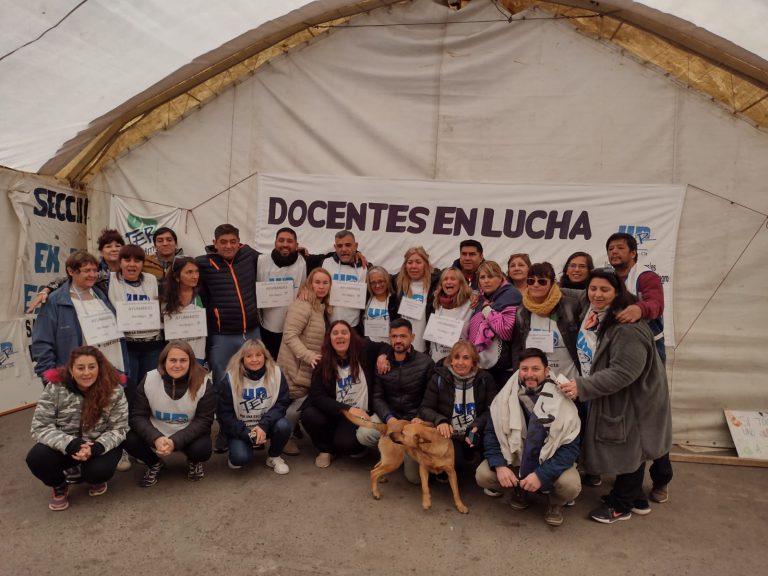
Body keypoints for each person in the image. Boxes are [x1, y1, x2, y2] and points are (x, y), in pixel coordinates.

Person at [560, 269, 672, 523]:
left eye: (604, 290)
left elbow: (623, 372)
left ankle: (621, 505)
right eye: (593, 289)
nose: (597, 294)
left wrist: (583, 387)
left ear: (617, 292)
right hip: (614, 395)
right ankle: (636, 498)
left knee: (631, 447)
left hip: (634, 399)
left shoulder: (626, 326)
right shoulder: (594, 311)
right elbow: (566, 291)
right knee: (627, 446)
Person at [475, 348, 581, 526]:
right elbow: (491, 435)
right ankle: (518, 490)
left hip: (549, 462)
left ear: (546, 371)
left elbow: (571, 448)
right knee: (483, 475)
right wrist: (500, 466)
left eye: (535, 369)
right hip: (516, 459)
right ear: (518, 370)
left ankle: (555, 503)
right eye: (524, 369)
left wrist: (541, 474)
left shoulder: (563, 400)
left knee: (570, 485)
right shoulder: (505, 398)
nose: (529, 374)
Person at [606, 232, 672, 500]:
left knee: (650, 416)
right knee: (622, 414)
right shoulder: (608, 279)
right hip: (617, 353)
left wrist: (640, 309)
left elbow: (656, 303)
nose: (614, 253)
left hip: (649, 353)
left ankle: (661, 478)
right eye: (610, 249)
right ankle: (626, 476)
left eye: (620, 248)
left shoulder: (644, 276)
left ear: (633, 252)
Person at [26, 346, 129, 511]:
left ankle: (94, 478)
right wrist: (72, 444)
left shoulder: (114, 390)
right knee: (36, 458)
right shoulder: (55, 388)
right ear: (71, 370)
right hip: (67, 446)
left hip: (97, 446)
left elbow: (120, 428)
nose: (86, 372)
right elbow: (40, 426)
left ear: (100, 368)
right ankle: (59, 484)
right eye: (80, 368)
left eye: (92, 367)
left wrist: (97, 447)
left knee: (97, 472)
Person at [196, 223, 260, 452]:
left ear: (239, 241)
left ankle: (254, 427)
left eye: (232, 241)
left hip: (252, 332)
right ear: (215, 243)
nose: (228, 246)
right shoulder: (203, 263)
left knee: (254, 381)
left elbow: (278, 261)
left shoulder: (250, 256)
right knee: (224, 385)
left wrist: (301, 251)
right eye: (223, 242)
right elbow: (179, 271)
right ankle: (225, 429)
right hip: (222, 336)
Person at [124, 340, 215, 486]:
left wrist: (175, 441)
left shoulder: (204, 382)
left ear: (191, 362)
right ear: (163, 361)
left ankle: (194, 461)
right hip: (157, 433)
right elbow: (137, 416)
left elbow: (204, 420)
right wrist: (156, 438)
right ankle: (154, 463)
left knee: (202, 449)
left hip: (186, 433)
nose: (177, 365)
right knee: (127, 437)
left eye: (183, 360)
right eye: (172, 360)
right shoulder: (150, 378)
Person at [359, 318, 435, 484]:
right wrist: (389, 418)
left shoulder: (426, 363)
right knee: (363, 434)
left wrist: (418, 418)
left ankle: (404, 453)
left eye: (403, 336)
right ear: (389, 338)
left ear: (412, 337)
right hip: (390, 416)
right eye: (394, 336)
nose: (398, 340)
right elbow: (377, 396)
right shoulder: (382, 363)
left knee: (414, 478)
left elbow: (431, 398)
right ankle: (390, 454)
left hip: (414, 419)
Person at [31, 251, 127, 380]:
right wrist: (51, 377)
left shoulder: (101, 292)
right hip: (77, 376)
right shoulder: (56, 300)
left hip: (109, 372)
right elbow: (42, 342)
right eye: (86, 270)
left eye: (95, 270)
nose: (92, 275)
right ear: (71, 271)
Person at [301, 320, 380, 468]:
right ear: (329, 339)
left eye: (344, 332)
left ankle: (348, 444)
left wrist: (382, 357)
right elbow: (317, 396)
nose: (340, 336)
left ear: (352, 336)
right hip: (338, 410)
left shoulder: (365, 350)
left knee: (345, 444)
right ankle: (325, 450)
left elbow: (384, 347)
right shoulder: (323, 362)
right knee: (309, 414)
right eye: (335, 333)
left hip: (359, 414)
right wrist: (347, 409)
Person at [276, 267, 333, 455]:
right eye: (317, 282)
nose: (322, 286)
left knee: (299, 399)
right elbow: (290, 335)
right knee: (299, 402)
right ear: (309, 284)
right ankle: (284, 437)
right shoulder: (303, 304)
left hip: (306, 367)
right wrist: (308, 355)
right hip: (296, 364)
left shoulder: (321, 305)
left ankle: (288, 432)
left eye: (325, 282)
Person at [416, 341, 496, 469]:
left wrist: (477, 425)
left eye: (466, 358)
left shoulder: (485, 379)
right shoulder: (439, 378)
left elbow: (492, 410)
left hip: (475, 431)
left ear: (473, 362)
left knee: (480, 459)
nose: (460, 362)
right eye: (456, 357)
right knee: (455, 464)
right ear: (451, 361)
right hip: (451, 435)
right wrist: (440, 420)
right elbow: (425, 408)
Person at [217, 340, 291, 474]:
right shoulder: (230, 378)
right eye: (249, 356)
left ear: (265, 356)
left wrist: (263, 425)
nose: (254, 359)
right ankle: (238, 452)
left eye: (259, 355)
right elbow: (224, 415)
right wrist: (249, 434)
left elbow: (282, 403)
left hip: (266, 425)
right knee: (240, 458)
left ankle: (274, 456)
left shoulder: (276, 373)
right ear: (242, 358)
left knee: (283, 425)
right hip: (241, 428)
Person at [108, 244, 164, 403]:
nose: (132, 264)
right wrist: (47, 290)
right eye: (127, 259)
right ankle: (129, 423)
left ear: (143, 263)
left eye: (137, 260)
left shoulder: (152, 280)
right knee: (128, 387)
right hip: (127, 346)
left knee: (149, 387)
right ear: (120, 262)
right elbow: (75, 275)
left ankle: (145, 423)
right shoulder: (109, 278)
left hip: (153, 345)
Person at [510, 262, 581, 379]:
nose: (535, 285)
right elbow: (517, 348)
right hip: (537, 382)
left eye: (542, 281)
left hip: (570, 379)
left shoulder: (571, 305)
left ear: (552, 284)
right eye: (531, 281)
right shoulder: (522, 311)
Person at [27, 228, 125, 312]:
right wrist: (45, 291)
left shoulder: (130, 269)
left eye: (118, 246)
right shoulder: (95, 270)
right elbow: (66, 279)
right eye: (108, 246)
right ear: (101, 251)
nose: (114, 249)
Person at [467, 261, 520, 387]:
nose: (486, 281)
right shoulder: (483, 297)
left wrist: (487, 310)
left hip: (504, 368)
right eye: (482, 277)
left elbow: (505, 331)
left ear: (501, 277)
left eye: (490, 277)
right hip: (485, 365)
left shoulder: (511, 295)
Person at [388, 246, 441, 353]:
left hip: (425, 346)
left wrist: (474, 294)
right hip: (402, 345)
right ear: (405, 265)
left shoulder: (436, 283)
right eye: (410, 262)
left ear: (426, 264)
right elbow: (376, 276)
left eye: (418, 262)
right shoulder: (397, 283)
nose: (414, 266)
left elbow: (458, 280)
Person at [160, 257, 206, 363]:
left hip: (197, 355)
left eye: (196, 272)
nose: (195, 276)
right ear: (177, 277)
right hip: (174, 355)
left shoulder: (203, 295)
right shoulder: (165, 298)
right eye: (189, 272)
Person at [320, 230, 368, 329]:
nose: (344, 249)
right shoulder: (325, 263)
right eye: (340, 246)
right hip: (328, 326)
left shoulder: (365, 267)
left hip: (354, 327)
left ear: (356, 246)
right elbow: (304, 258)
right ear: (335, 248)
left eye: (348, 245)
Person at [425, 267, 473, 364]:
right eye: (445, 279)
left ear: (460, 283)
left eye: (453, 279)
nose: (448, 282)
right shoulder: (435, 303)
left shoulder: (471, 304)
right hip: (437, 363)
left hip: (461, 363)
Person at [362, 266, 392, 344]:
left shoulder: (394, 300)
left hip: (389, 346)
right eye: (373, 283)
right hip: (370, 345)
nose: (377, 285)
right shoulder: (365, 299)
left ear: (387, 281)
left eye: (381, 281)